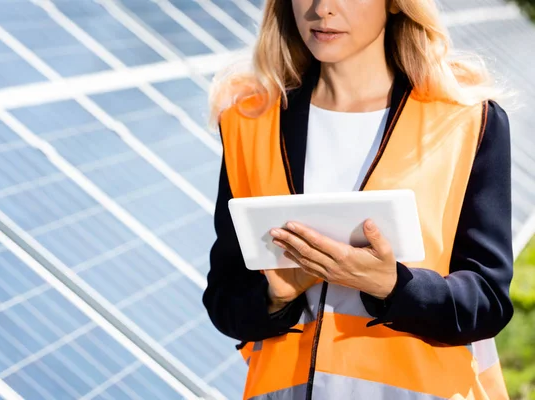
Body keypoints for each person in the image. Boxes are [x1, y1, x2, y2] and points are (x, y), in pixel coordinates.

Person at [202, 0, 515, 399]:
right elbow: (224, 299)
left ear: (397, 5)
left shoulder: (467, 120)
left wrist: (394, 286)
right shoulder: (248, 122)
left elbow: (486, 301)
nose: (321, 9)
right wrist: (274, 296)